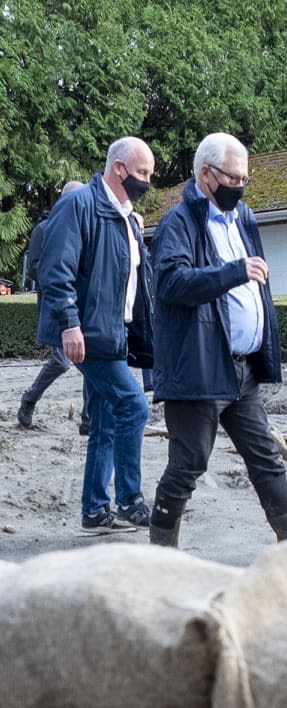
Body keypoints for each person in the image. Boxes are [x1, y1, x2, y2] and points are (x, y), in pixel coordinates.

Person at [147, 132, 287, 548]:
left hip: (243, 369)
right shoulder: (177, 224)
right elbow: (171, 283)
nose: (239, 186)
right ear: (205, 173)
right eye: (232, 178)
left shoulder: (244, 218)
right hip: (199, 368)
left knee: (266, 458)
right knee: (189, 462)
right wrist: (234, 271)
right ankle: (162, 554)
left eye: (244, 179)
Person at [36, 139, 155, 534]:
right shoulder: (78, 205)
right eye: (143, 174)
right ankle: (129, 501)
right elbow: (56, 271)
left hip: (113, 334)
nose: (148, 182)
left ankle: (94, 511)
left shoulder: (124, 215)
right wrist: (70, 322)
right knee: (134, 407)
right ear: (119, 169)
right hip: (90, 335)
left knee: (105, 420)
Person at [18, 180, 91, 432]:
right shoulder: (44, 228)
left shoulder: (83, 228)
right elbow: (36, 268)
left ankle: (87, 420)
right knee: (61, 361)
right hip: (54, 306)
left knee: (90, 363)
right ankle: (29, 399)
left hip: (79, 306)